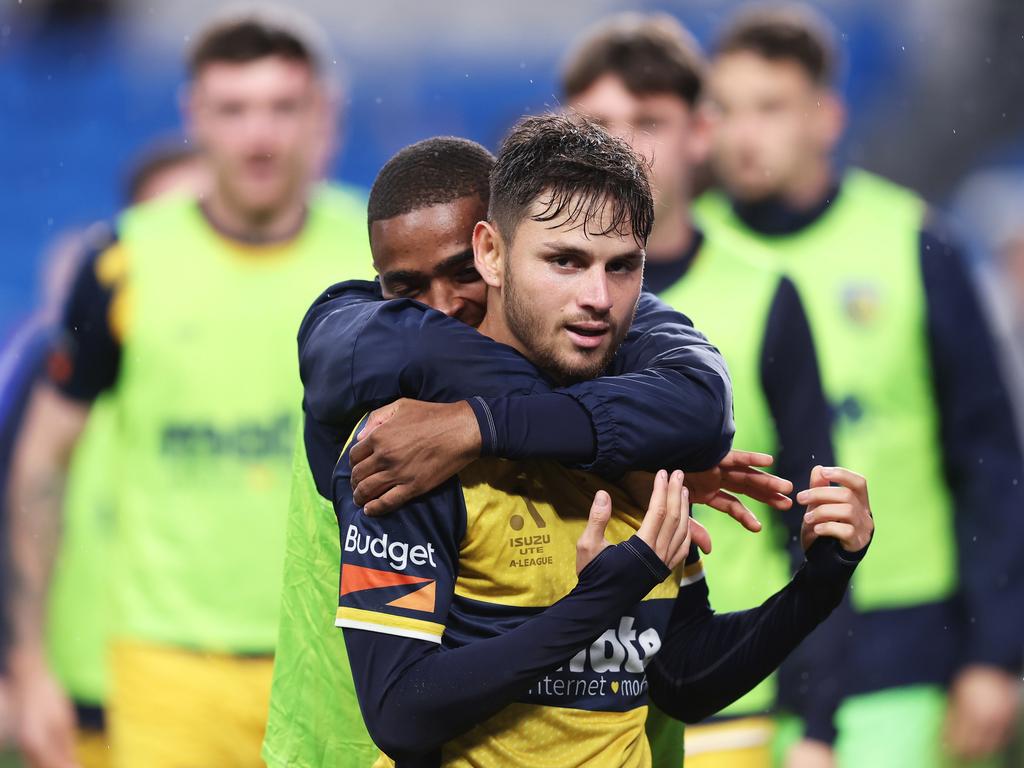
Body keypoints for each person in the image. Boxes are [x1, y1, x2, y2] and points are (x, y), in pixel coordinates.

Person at [316, 113, 872, 767]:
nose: (597, 297)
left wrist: (821, 581)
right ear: (492, 253)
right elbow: (402, 712)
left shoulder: (643, 438)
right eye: (565, 262)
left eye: (623, 267)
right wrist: (604, 598)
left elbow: (682, 678)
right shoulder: (411, 441)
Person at [6, 9, 371, 767]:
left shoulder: (375, 259)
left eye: (281, 107)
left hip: (341, 653)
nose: (258, 136)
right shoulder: (124, 262)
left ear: (320, 117)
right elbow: (40, 464)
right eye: (234, 109)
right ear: (194, 118)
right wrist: (31, 662)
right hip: (169, 673)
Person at [698, 6, 1024, 766]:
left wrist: (995, 652)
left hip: (901, 650)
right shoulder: (677, 261)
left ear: (826, 117)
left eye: (771, 108)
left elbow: (989, 459)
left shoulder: (914, 244)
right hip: (742, 654)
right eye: (726, 109)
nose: (746, 133)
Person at [560, 14, 840, 766]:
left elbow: (810, 510)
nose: (621, 145)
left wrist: (817, 722)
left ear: (700, 131)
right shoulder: (535, 298)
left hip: (730, 699)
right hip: (570, 699)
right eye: (597, 124)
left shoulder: (765, 290)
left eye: (647, 119)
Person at [0, 141, 207, 768]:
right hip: (92, 695)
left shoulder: (287, 349)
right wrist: (19, 669)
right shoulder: (55, 366)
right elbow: (16, 497)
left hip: (239, 685)